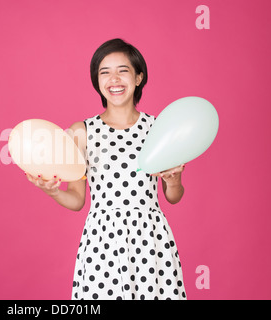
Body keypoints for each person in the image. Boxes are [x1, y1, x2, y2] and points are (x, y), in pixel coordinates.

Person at [25, 38, 187, 300]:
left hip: (150, 238)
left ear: (138, 78)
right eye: (105, 72)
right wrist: (51, 191)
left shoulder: (159, 128)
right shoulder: (82, 131)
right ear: (97, 81)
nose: (114, 79)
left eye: (123, 70)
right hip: (102, 241)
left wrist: (174, 179)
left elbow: (173, 196)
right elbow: (77, 199)